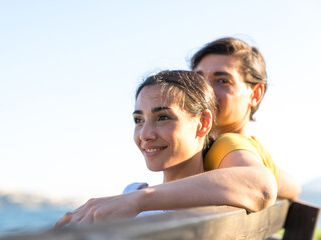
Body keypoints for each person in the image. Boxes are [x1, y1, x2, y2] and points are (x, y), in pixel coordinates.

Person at [55, 70, 278, 228]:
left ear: (202, 123)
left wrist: (138, 200)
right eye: (138, 120)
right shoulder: (131, 193)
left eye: (163, 117)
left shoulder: (137, 199)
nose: (145, 134)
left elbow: (263, 188)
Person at [190, 37, 301, 200]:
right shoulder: (252, 152)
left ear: (255, 94)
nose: (206, 90)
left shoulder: (225, 144)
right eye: (198, 80)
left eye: (222, 81)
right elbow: (293, 186)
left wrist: (144, 197)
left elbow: (263, 187)